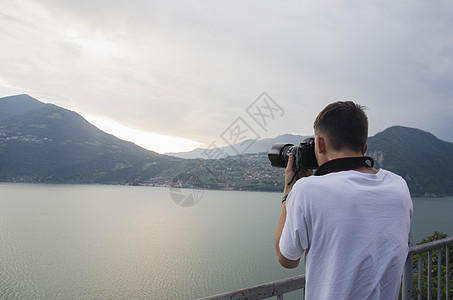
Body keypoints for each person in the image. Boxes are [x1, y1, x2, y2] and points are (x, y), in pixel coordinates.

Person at [274, 101, 413, 299]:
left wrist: (289, 190)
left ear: (320, 144)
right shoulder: (399, 186)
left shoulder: (307, 190)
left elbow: (287, 258)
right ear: (364, 148)